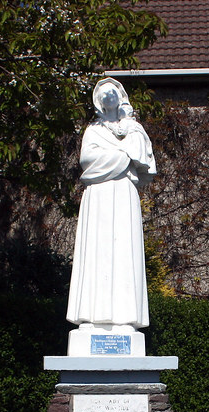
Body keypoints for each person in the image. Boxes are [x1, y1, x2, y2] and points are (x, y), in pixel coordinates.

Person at [66, 78, 156, 331]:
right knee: (97, 251)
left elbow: (141, 154)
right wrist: (122, 156)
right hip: (99, 195)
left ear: (120, 97)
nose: (108, 96)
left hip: (123, 194)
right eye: (102, 93)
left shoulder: (133, 129)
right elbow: (87, 160)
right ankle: (91, 318)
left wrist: (125, 147)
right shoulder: (93, 131)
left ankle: (124, 319)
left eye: (112, 92)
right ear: (98, 101)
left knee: (123, 250)